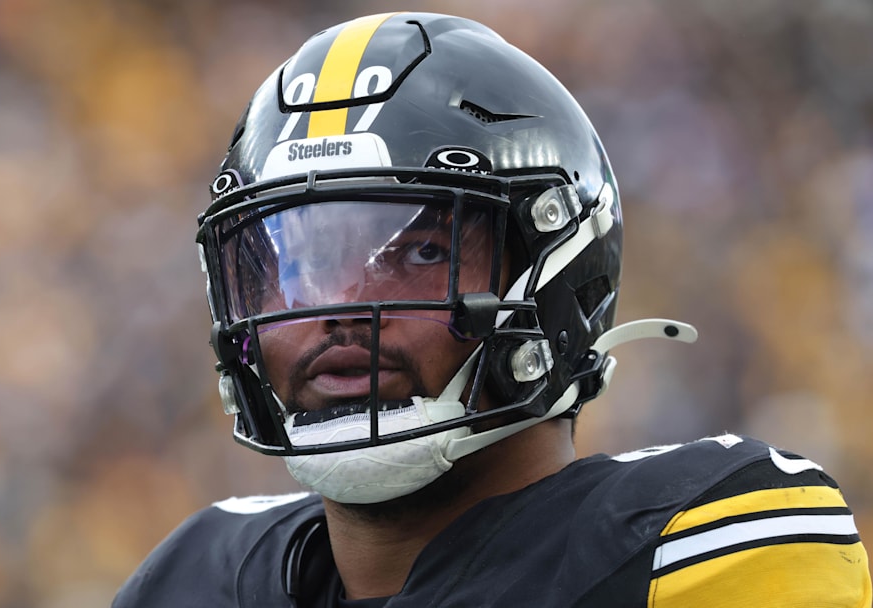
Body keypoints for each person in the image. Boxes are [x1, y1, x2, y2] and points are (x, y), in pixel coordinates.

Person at [113, 11, 871, 607]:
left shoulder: (691, 542)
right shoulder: (188, 578)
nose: (337, 306)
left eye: (419, 253)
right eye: (296, 264)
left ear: (551, 271)